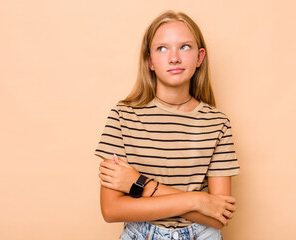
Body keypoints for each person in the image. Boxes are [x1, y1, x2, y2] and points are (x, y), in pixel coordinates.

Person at [95, 10, 240, 240]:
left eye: (184, 47)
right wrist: (197, 200)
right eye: (162, 48)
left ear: (200, 57)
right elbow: (111, 210)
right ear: (150, 61)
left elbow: (218, 216)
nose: (174, 58)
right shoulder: (122, 117)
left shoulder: (217, 123)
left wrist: (138, 183)